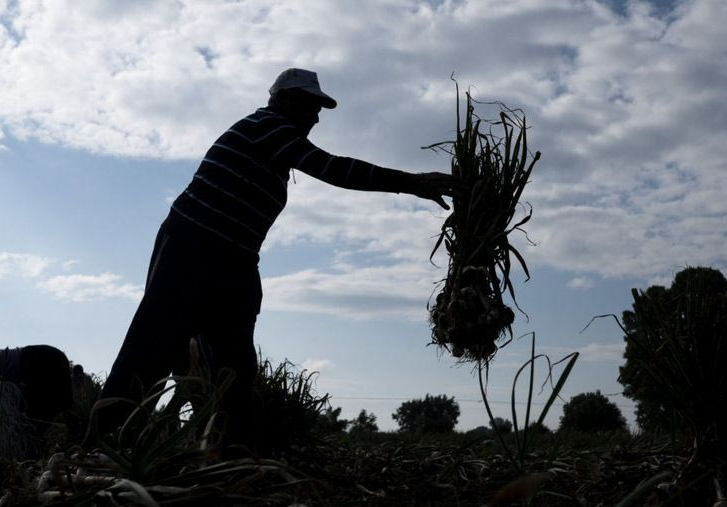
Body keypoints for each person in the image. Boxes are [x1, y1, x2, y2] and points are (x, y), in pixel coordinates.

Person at [98, 68, 463, 449]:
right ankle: (99, 442)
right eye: (310, 106)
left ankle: (230, 453)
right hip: (194, 245)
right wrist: (411, 183)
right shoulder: (268, 126)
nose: (317, 117)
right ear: (283, 100)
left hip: (235, 260)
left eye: (319, 108)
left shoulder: (275, 143)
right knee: (153, 346)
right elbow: (331, 167)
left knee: (235, 367)